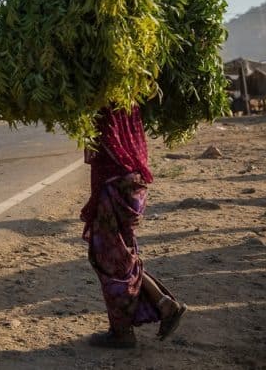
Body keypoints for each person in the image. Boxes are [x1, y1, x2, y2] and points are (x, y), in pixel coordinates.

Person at [80, 105, 187, 348]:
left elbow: (98, 153)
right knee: (123, 257)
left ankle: (123, 332)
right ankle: (162, 304)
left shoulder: (104, 110)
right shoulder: (130, 104)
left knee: (112, 261)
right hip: (132, 184)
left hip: (114, 187)